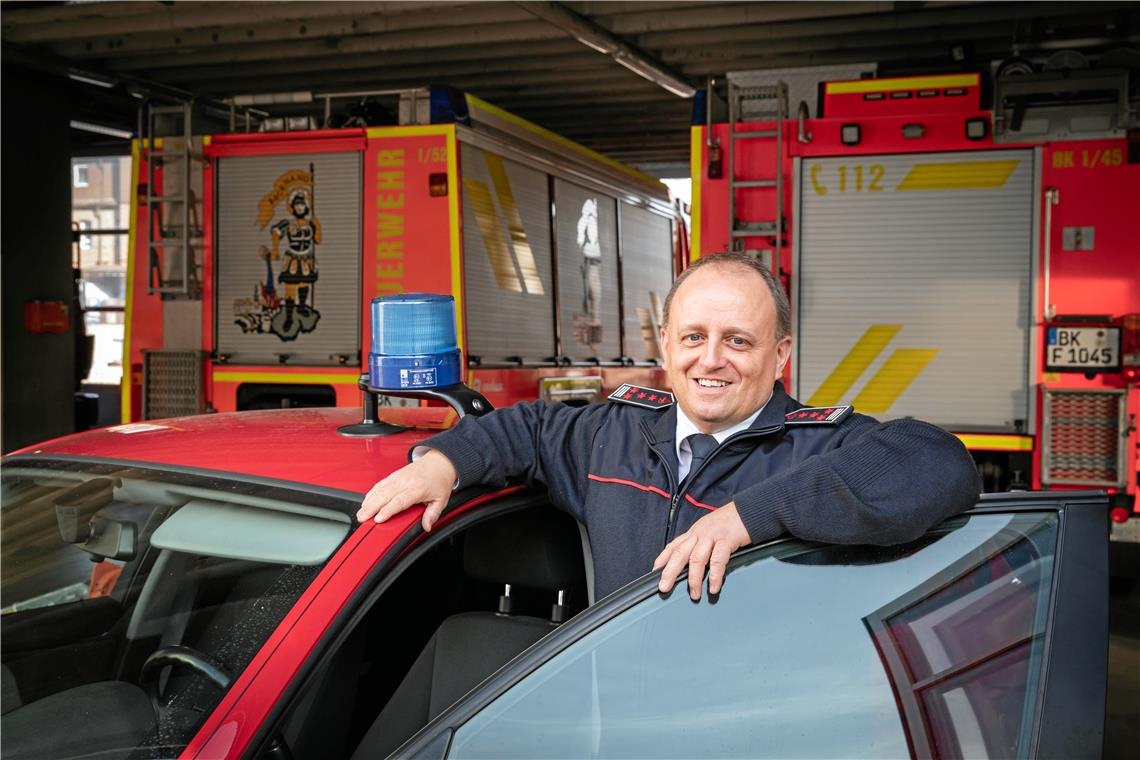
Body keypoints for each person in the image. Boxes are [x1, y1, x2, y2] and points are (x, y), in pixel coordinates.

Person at [357, 252, 980, 601]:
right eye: (694, 338)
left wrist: (748, 517)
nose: (710, 360)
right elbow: (530, 430)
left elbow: (940, 461)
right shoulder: (613, 435)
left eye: (738, 340)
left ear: (781, 355)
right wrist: (443, 462)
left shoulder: (817, 446)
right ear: (666, 345)